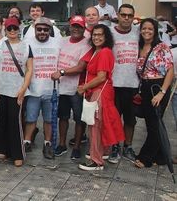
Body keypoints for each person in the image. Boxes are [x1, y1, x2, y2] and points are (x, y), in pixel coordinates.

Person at [77, 24, 124, 171]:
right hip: (99, 92)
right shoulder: (97, 51)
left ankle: (96, 161)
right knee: (100, 124)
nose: (96, 37)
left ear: (106, 37)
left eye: (100, 35)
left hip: (99, 93)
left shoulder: (104, 52)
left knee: (95, 126)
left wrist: (84, 87)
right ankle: (101, 152)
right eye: (94, 34)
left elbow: (101, 77)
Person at [0, 17, 32, 166]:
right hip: (0, 88)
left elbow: (29, 70)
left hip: (16, 90)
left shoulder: (26, 47)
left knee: (15, 121)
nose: (12, 31)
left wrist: (23, 90)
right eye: (9, 29)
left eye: (15, 28)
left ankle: (17, 153)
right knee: (2, 120)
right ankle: (2, 148)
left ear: (19, 29)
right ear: (5, 30)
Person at [134, 18, 174, 169]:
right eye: (144, 28)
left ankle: (146, 157)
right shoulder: (139, 46)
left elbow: (170, 71)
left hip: (157, 87)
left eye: (150, 29)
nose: (146, 31)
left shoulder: (161, 47)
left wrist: (162, 92)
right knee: (151, 122)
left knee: (154, 123)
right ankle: (162, 156)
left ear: (155, 31)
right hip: (145, 87)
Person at [50, 16, 91, 160]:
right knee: (63, 117)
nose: (76, 29)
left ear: (84, 28)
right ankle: (61, 144)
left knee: (79, 119)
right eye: (74, 26)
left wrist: (61, 72)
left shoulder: (87, 44)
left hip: (77, 88)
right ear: (69, 26)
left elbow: (81, 67)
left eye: (79, 27)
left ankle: (77, 146)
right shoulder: (63, 41)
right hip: (62, 87)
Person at [23, 17, 60, 159]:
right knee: (31, 119)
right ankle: (26, 142)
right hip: (33, 89)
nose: (42, 32)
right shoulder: (27, 43)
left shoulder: (57, 42)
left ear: (50, 30)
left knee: (49, 120)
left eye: (46, 29)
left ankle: (48, 144)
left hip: (51, 90)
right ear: (35, 30)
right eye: (39, 29)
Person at [109, 4, 139, 163]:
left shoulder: (138, 32)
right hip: (115, 84)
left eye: (130, 15)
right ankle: (114, 146)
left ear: (133, 17)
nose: (126, 18)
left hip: (133, 84)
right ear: (118, 16)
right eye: (124, 15)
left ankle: (128, 146)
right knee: (114, 119)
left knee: (130, 120)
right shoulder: (111, 33)